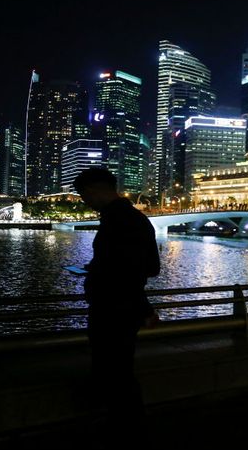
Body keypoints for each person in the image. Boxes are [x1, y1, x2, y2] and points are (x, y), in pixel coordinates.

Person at [73, 168, 160, 436]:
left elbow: (124, 269)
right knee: (121, 367)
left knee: (114, 370)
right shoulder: (138, 219)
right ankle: (125, 424)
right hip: (127, 306)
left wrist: (99, 271)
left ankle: (127, 428)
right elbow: (151, 267)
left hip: (112, 307)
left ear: (94, 190)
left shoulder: (117, 221)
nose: (84, 201)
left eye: (83, 195)